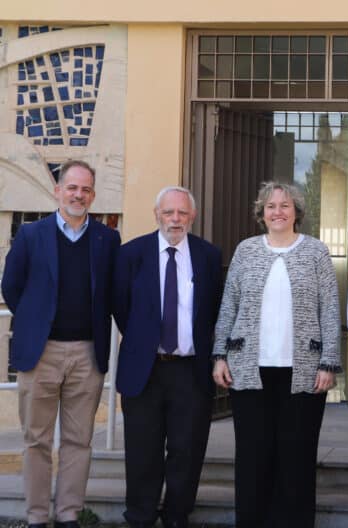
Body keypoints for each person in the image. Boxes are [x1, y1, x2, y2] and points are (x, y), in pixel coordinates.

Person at [212, 181, 341, 528]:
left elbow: (329, 308)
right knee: (253, 457)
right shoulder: (246, 251)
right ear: (262, 213)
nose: (278, 211)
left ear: (297, 212)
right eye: (271, 206)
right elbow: (229, 304)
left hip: (303, 373)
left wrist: (329, 362)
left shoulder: (315, 251)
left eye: (285, 205)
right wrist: (219, 355)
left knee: (297, 459)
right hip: (249, 371)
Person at [1, 160, 120, 528]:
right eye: (72, 187)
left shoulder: (107, 240)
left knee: (78, 440)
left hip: (87, 353)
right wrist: (35, 321)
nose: (78, 195)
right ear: (58, 191)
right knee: (35, 439)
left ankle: (69, 514)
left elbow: (112, 292)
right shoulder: (31, 235)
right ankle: (37, 516)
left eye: (85, 189)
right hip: (41, 353)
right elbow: (11, 286)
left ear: (93, 195)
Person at [112, 186, 223, 528]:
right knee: (142, 451)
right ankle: (140, 517)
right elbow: (121, 307)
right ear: (156, 214)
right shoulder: (131, 254)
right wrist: (144, 341)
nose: (175, 219)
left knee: (186, 451)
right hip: (145, 369)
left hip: (191, 370)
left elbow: (214, 308)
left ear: (193, 216)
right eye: (169, 212)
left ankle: (177, 516)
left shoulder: (208, 255)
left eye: (182, 213)